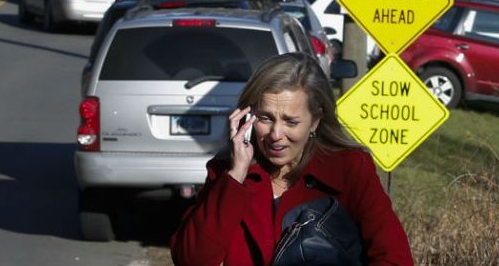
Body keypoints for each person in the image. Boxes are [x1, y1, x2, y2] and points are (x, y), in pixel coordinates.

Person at [170, 53, 414, 266]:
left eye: (291, 121)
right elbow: (190, 259)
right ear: (248, 116)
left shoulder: (349, 169)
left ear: (315, 121)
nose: (276, 135)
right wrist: (236, 174)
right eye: (266, 118)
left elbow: (394, 257)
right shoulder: (229, 173)